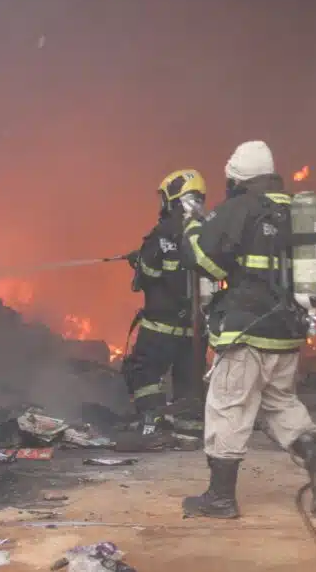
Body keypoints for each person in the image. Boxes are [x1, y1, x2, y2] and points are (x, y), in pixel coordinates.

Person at [179, 140, 316, 519]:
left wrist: (190, 225)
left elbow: (206, 262)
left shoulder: (239, 207)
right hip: (286, 329)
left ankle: (220, 497)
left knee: (228, 406)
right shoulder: (292, 210)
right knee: (280, 402)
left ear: (236, 178)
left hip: (245, 330)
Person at [120, 169, 209, 450]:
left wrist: (138, 259)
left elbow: (148, 274)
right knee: (189, 382)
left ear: (175, 198)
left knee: (143, 373)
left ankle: (153, 425)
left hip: (160, 327)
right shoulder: (206, 234)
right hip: (196, 329)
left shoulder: (162, 234)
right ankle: (190, 434)